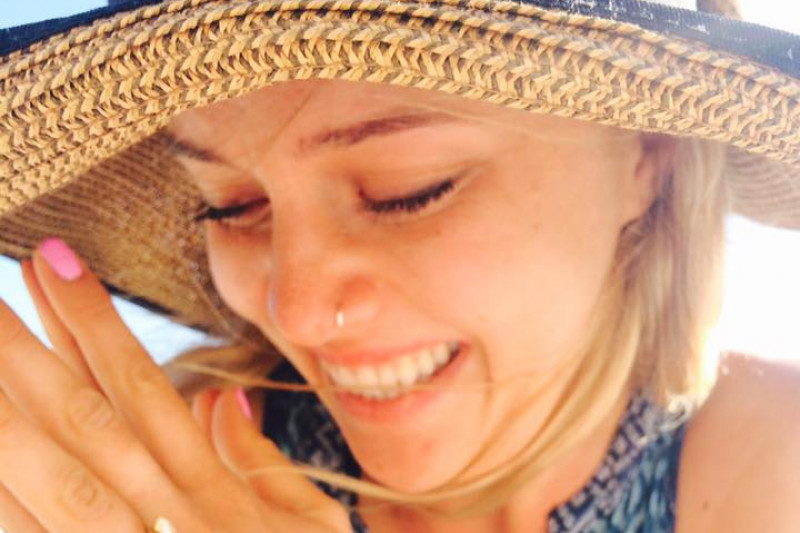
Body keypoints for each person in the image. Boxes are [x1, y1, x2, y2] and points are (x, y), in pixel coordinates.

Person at [0, 0, 798, 532]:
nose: (298, 311)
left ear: (648, 156)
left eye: (407, 192)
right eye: (231, 206)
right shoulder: (144, 487)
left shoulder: (774, 466)